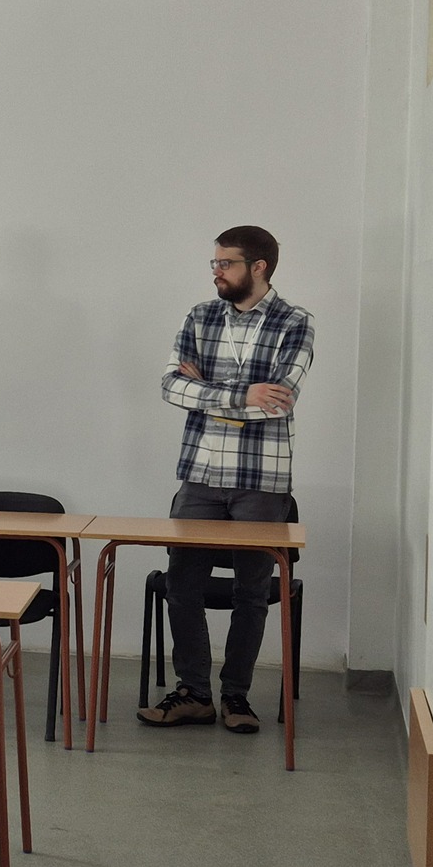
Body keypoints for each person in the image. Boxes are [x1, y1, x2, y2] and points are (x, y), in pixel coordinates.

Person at [138, 225, 312, 734]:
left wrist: (206, 390)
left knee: (251, 592)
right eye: (214, 263)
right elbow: (169, 386)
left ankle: (237, 696)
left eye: (226, 263)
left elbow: (278, 400)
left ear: (258, 267)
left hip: (262, 478)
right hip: (200, 473)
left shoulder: (294, 322)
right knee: (182, 584)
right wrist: (242, 394)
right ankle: (194, 693)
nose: (216, 271)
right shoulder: (200, 316)